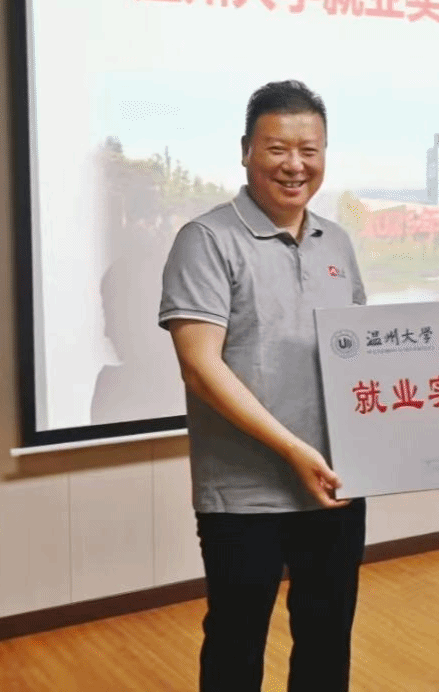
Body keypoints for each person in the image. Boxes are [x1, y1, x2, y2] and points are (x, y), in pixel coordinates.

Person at [158, 80, 368, 692]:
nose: (295, 165)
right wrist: (293, 449)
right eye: (278, 148)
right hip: (243, 494)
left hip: (335, 483)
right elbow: (200, 367)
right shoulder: (206, 240)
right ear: (247, 150)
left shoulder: (337, 241)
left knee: (327, 640)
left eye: (310, 150)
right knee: (236, 643)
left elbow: (360, 355)